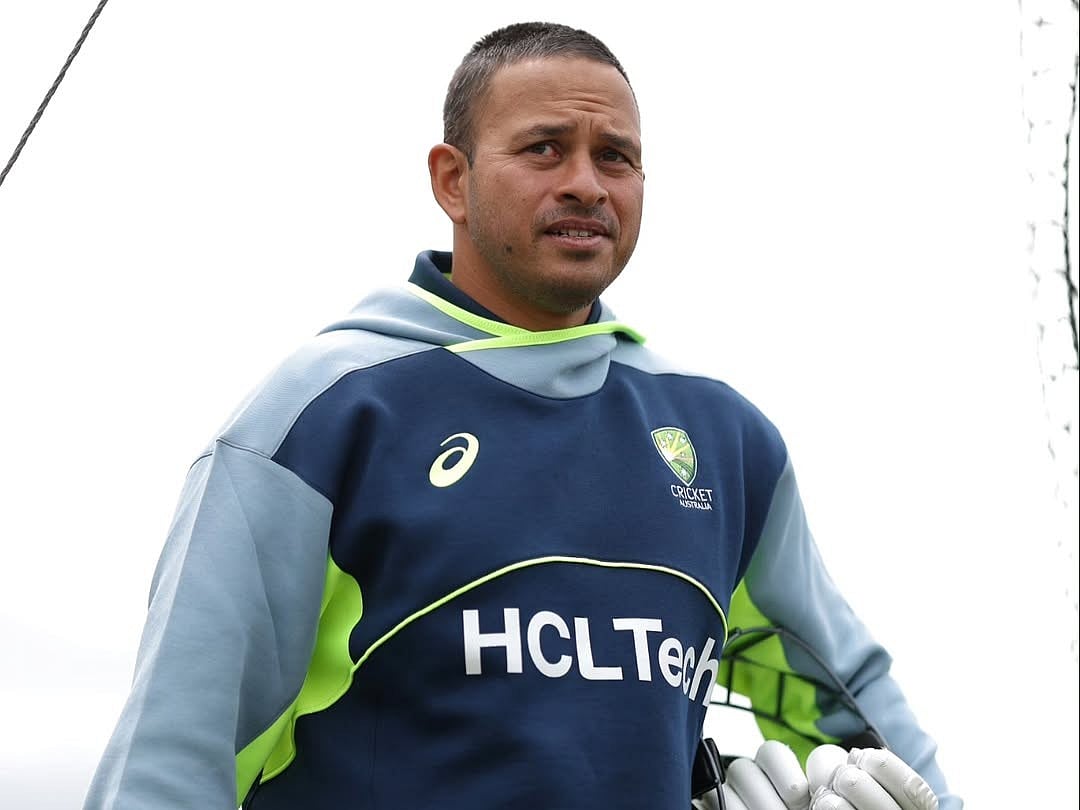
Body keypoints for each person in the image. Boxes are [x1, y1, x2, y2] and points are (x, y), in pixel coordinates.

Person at [84, 22, 961, 810]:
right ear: (452, 180)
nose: (586, 184)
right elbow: (175, 755)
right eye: (545, 149)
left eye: (615, 157)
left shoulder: (724, 441)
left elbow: (844, 699)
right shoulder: (324, 412)